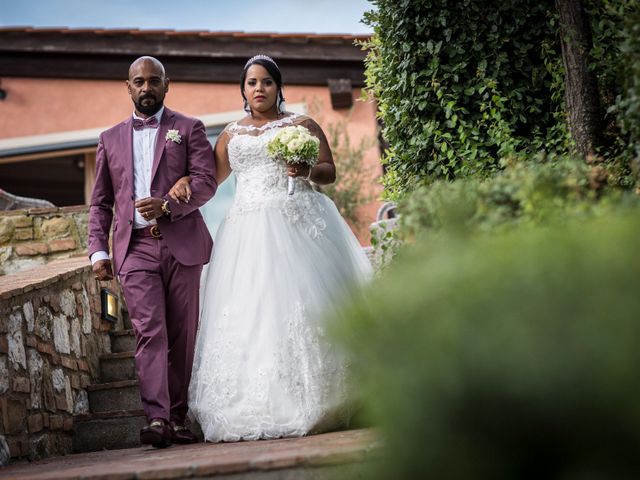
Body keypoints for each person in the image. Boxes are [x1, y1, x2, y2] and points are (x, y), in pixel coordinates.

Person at [170, 54, 372, 442]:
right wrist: (181, 181)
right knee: (252, 308)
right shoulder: (231, 134)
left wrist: (307, 169)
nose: (258, 89)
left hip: (299, 221)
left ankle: (325, 394)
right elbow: (209, 180)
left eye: (265, 82)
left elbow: (329, 171)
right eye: (251, 83)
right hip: (246, 231)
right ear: (243, 90)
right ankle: (256, 401)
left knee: (306, 302)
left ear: (278, 86)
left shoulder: (301, 125)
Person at [88, 56, 217, 448]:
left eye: (154, 81)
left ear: (166, 85)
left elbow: (207, 181)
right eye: (139, 82)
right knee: (150, 332)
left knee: (182, 335)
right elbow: (100, 202)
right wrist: (97, 250)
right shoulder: (108, 139)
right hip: (135, 248)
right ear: (128, 87)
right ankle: (157, 419)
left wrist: (169, 205)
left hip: (182, 244)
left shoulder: (189, 128)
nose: (147, 88)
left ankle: (178, 418)